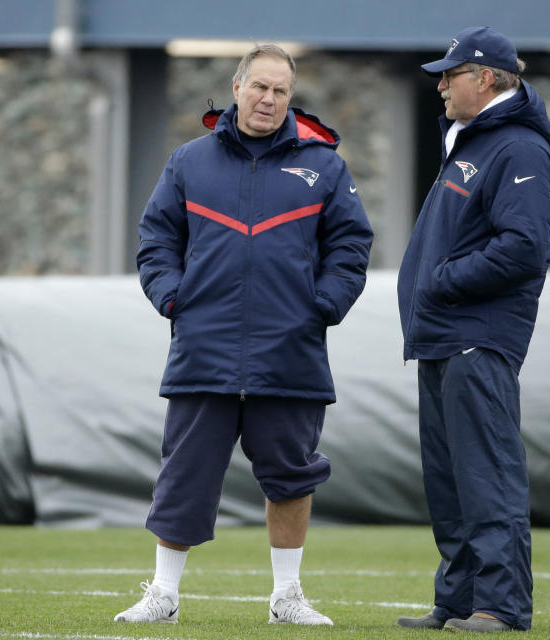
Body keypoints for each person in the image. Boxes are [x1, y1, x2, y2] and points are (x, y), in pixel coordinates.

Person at [115, 44, 372, 626]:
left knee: (292, 474)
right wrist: (173, 298)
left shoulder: (324, 165)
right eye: (259, 87)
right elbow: (156, 239)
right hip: (204, 348)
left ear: (290, 97)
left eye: (281, 91)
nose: (269, 99)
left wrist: (325, 305)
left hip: (291, 351)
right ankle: (164, 594)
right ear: (236, 88)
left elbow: (352, 246)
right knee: (184, 474)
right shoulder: (189, 161)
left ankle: (287, 597)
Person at [396, 26, 550, 633]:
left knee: (486, 473)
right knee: (447, 480)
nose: (440, 85)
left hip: (477, 335)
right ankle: (460, 600)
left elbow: (522, 248)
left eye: (450, 73)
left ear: (486, 77)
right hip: (442, 336)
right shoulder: (470, 141)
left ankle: (501, 605)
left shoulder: (517, 148)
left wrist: (439, 279)